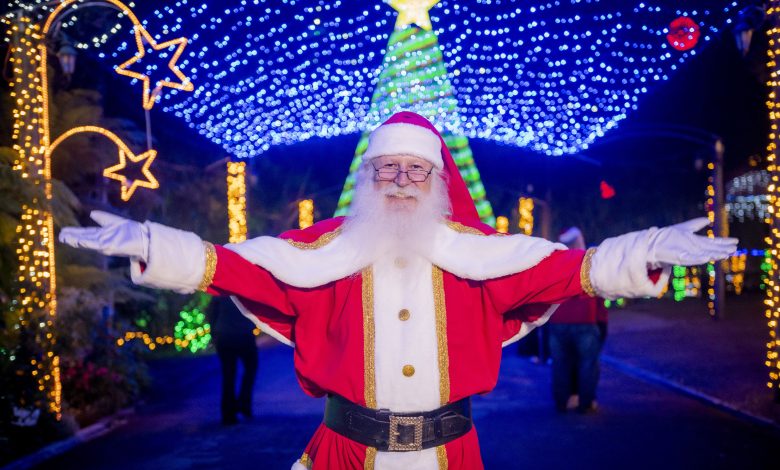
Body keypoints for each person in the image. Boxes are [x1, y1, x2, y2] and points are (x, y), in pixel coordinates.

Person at [59, 111, 737, 470]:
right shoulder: (321, 257)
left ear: (438, 181)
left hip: (450, 455)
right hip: (346, 454)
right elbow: (231, 266)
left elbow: (570, 270)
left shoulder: (479, 257)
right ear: (368, 178)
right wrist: (149, 243)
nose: (403, 181)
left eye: (417, 169)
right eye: (389, 168)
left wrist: (645, 248)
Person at [548, 227, 608, 414]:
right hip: (586, 320)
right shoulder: (590, 262)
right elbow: (599, 292)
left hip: (558, 321)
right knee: (587, 363)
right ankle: (586, 402)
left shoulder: (554, 264)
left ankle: (562, 401)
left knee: (560, 364)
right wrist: (602, 321)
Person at [208, 296, 259, 425]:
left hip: (224, 336)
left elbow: (211, 312)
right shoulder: (245, 289)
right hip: (244, 334)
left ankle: (228, 413)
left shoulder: (220, 292)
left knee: (228, 374)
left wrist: (214, 333)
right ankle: (243, 402)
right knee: (251, 368)